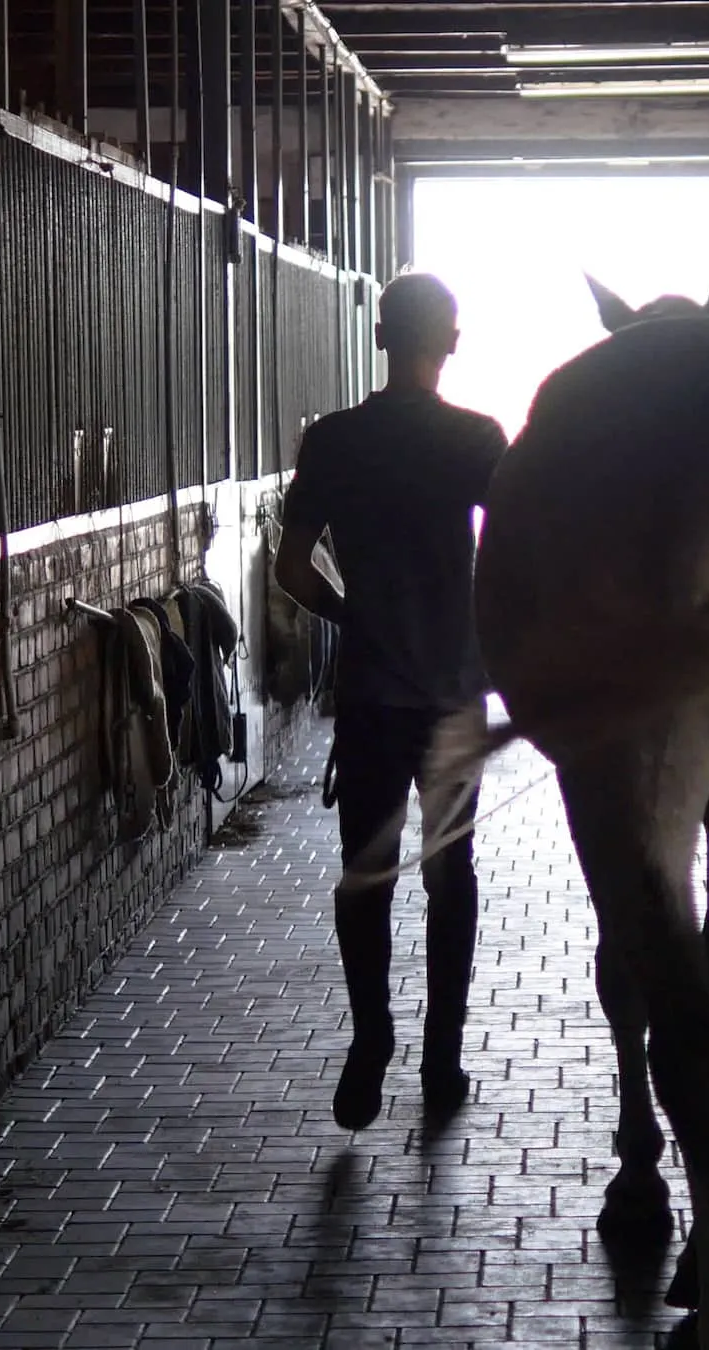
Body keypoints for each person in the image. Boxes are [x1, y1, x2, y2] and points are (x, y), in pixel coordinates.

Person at [273, 271, 507, 1130]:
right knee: (452, 877)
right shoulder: (479, 439)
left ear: (379, 337)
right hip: (451, 697)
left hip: (370, 692)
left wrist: (354, 615)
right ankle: (443, 1057)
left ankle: (371, 1039)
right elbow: (517, 552)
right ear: (450, 341)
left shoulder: (333, 441)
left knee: (365, 876)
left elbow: (291, 569)